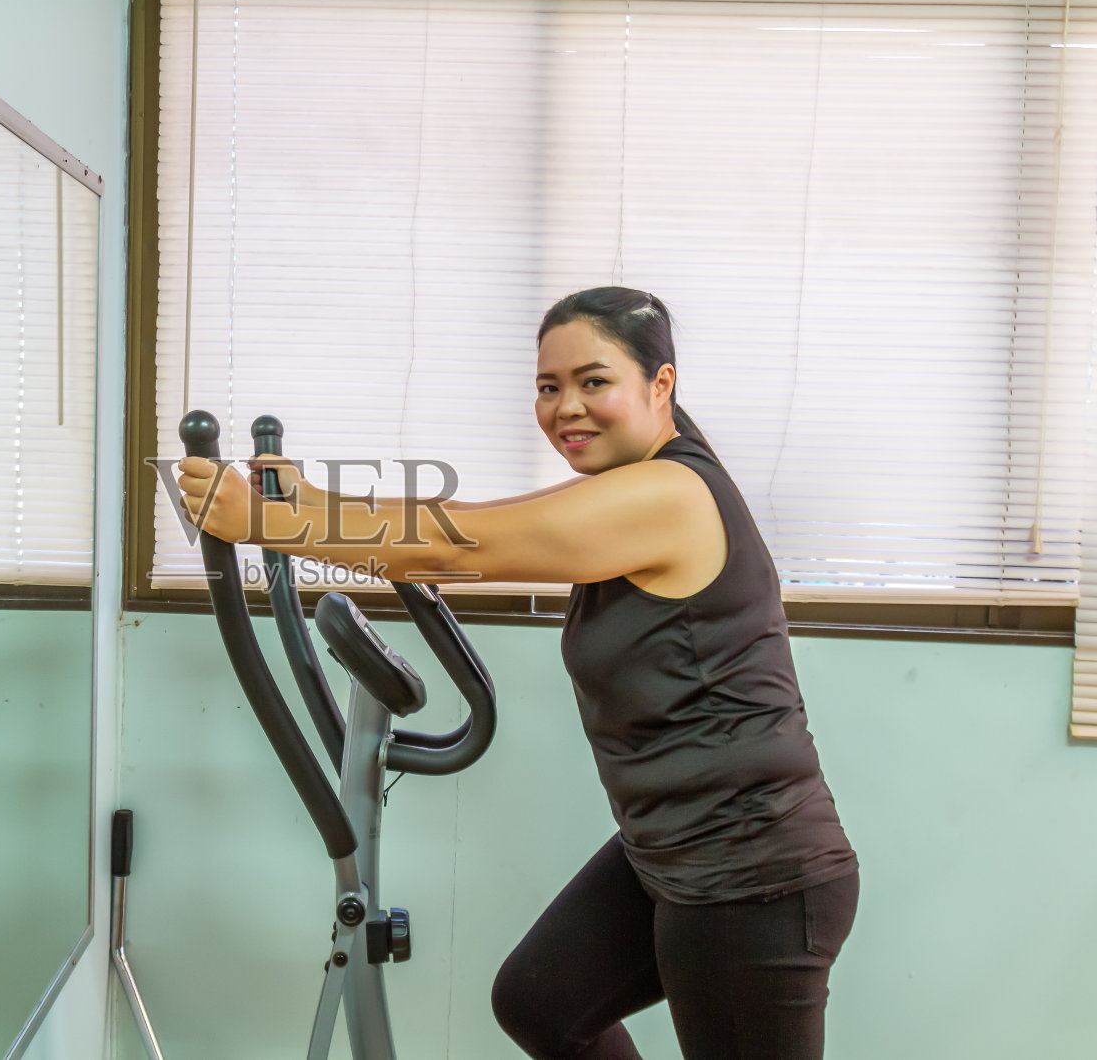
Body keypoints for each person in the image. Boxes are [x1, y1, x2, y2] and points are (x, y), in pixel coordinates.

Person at [177, 286, 858, 1060]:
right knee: (541, 1001)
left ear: (660, 384)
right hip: (671, 853)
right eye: (548, 386)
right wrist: (312, 501)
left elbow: (462, 546)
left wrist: (273, 522)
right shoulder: (630, 485)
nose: (566, 406)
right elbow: (488, 521)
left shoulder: (673, 495)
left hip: (753, 876)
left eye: (593, 381)